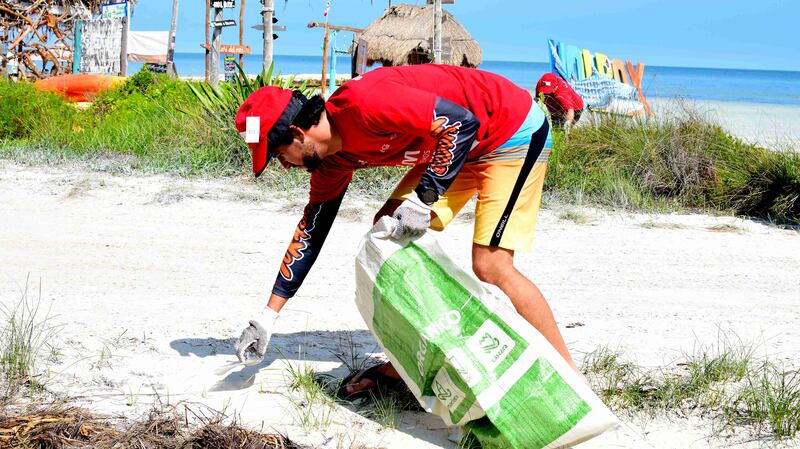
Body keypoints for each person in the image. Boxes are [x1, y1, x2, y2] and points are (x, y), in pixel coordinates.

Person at [233, 64, 578, 396]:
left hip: (508, 130)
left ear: (297, 134)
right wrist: (268, 317)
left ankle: (572, 381)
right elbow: (312, 230)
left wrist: (423, 200)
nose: (282, 165)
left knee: (491, 265)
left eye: (278, 154)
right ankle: (408, 363)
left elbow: (460, 124)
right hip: (457, 148)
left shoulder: (364, 103)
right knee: (386, 230)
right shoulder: (331, 163)